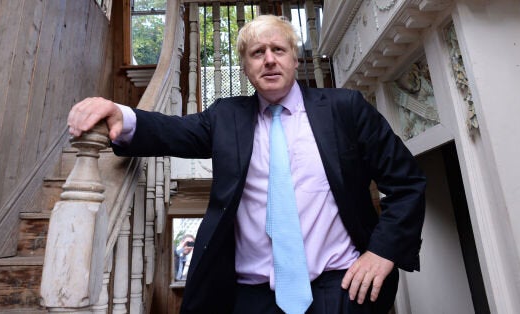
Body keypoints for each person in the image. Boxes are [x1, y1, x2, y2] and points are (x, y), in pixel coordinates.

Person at [68, 15, 425, 314]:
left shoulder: (344, 108)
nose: (269, 59)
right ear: (246, 67)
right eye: (258, 53)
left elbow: (406, 182)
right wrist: (120, 113)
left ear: (294, 59)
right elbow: (172, 131)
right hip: (249, 297)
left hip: (340, 289)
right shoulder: (227, 117)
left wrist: (383, 252)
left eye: (278, 50)